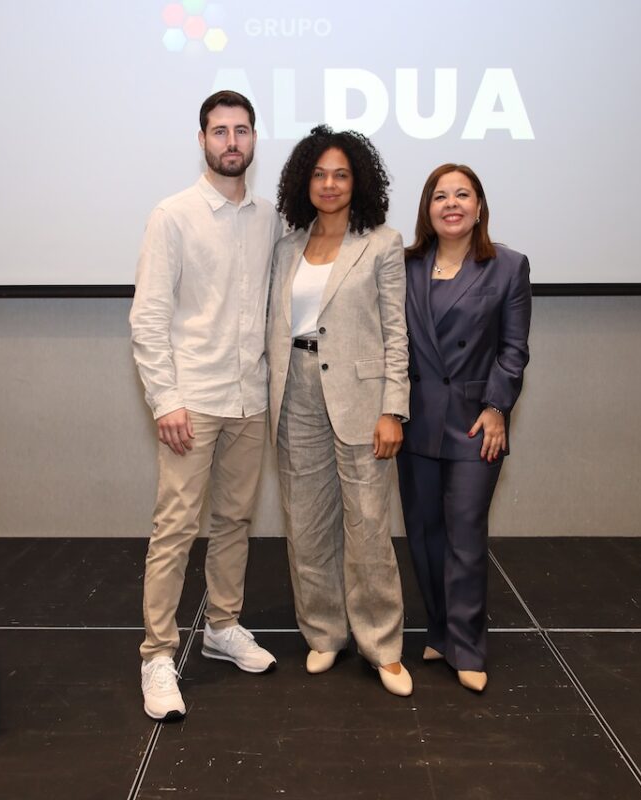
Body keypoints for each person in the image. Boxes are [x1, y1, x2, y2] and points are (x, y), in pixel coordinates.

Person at [129, 90, 282, 721]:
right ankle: (158, 655)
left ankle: (222, 626)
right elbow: (148, 316)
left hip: (251, 398)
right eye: (220, 131)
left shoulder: (270, 218)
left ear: (254, 139)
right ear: (202, 140)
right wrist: (165, 399)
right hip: (191, 401)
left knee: (235, 522)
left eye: (241, 131)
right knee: (175, 529)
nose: (231, 142)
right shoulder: (173, 215)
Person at [266, 125, 412, 696]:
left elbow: (396, 333)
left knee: (369, 526)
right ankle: (324, 634)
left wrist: (393, 409)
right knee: (306, 525)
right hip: (294, 392)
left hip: (361, 397)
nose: (329, 184)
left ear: (359, 182)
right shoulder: (286, 247)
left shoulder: (382, 243)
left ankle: (382, 647)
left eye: (341, 175)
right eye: (320, 174)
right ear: (304, 181)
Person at [396, 164, 532, 693]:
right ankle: (440, 632)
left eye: (462, 194)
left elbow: (513, 349)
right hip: (415, 420)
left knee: (466, 535)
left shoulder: (508, 266)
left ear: (479, 207)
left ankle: (468, 646)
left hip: (477, 422)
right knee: (425, 535)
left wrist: (498, 407)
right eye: (440, 196)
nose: (451, 204)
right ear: (427, 209)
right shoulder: (405, 266)